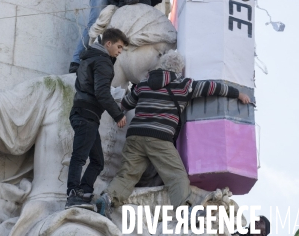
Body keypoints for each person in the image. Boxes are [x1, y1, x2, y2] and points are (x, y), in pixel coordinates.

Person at [94, 50, 251, 216]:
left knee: (127, 175)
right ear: (179, 70)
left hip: (134, 137)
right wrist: (238, 94)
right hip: (159, 138)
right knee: (175, 175)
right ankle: (185, 210)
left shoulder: (143, 84)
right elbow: (212, 88)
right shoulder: (182, 85)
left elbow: (126, 104)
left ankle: (108, 199)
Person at [65, 27, 129, 210]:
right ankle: (72, 195)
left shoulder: (90, 58)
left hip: (85, 114)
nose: (120, 51)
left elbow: (93, 88)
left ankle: (84, 192)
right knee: (79, 157)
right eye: (118, 47)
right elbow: (101, 93)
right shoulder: (103, 62)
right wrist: (118, 114)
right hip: (86, 115)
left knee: (97, 161)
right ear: (107, 43)